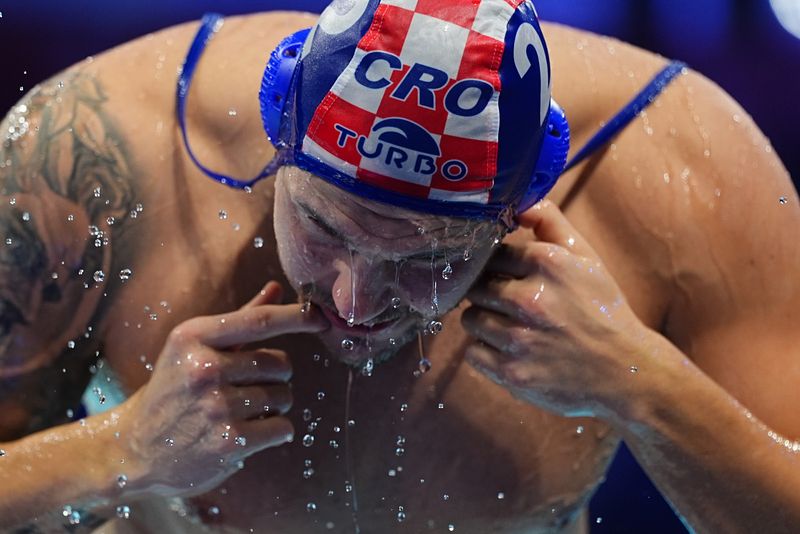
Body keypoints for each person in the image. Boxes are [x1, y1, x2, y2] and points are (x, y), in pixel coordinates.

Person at [1, 1, 799, 532]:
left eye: (429, 258)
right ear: (278, 146)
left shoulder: (678, 170)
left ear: (520, 210)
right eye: (320, 226)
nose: (354, 298)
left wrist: (642, 386)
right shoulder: (97, 157)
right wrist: (118, 451)